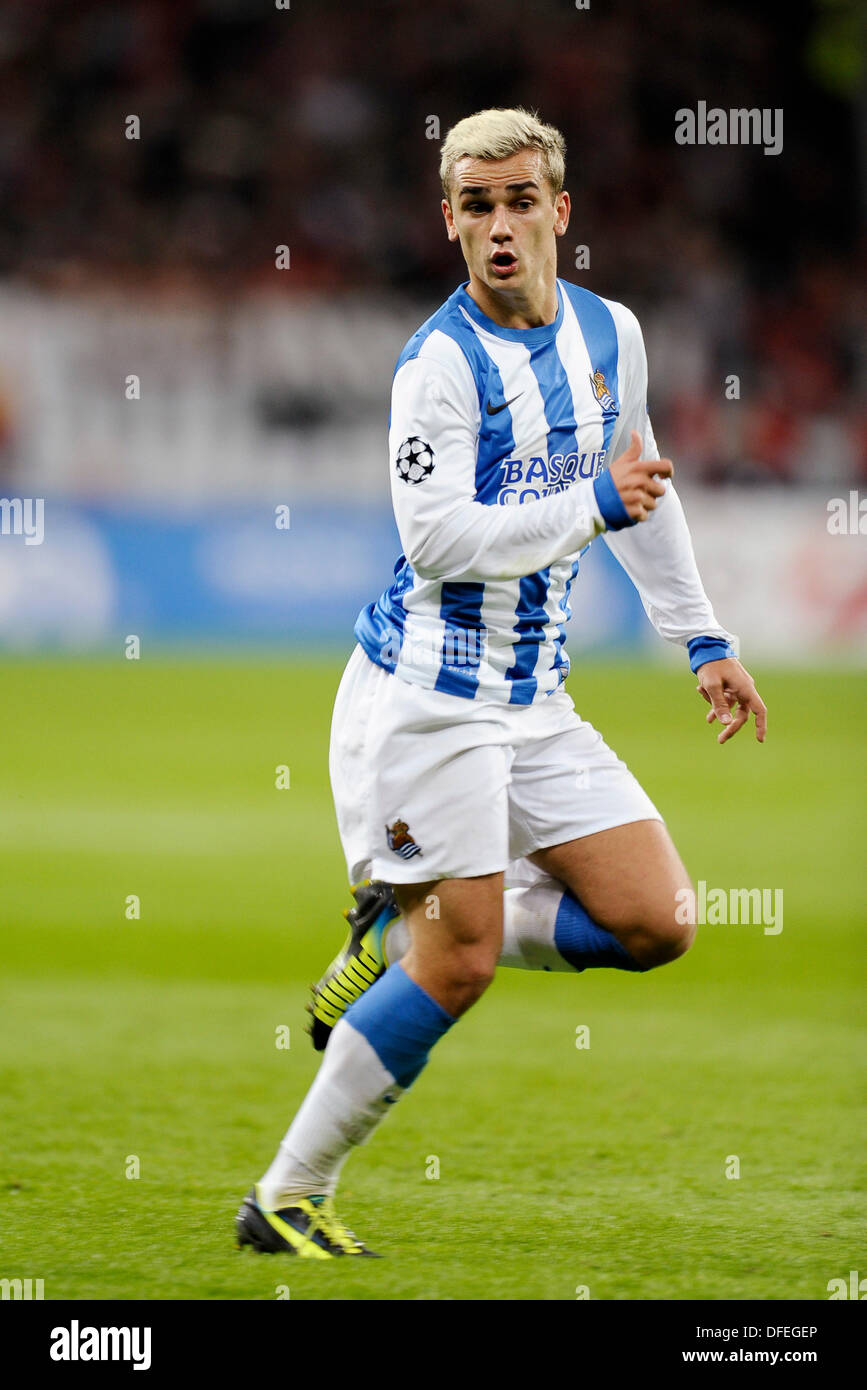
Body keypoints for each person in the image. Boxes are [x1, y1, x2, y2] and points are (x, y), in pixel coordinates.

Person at [236, 107, 766, 1259]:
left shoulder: (611, 333)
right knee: (464, 957)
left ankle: (392, 935)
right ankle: (287, 1193)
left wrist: (701, 636)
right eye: (477, 207)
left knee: (660, 919)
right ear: (451, 223)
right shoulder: (435, 368)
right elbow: (438, 544)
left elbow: (641, 486)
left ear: (560, 212)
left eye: (522, 201)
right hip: (427, 694)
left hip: (538, 699)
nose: (502, 226)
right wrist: (590, 505)